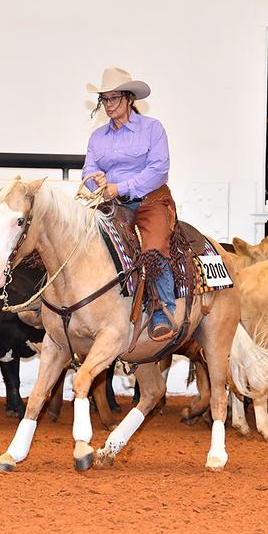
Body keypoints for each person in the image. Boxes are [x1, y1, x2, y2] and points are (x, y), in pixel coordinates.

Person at [81, 67, 177, 341]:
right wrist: (94, 181)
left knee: (153, 246)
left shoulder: (152, 129)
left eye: (114, 98)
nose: (108, 105)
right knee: (80, 241)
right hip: (112, 204)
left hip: (150, 200)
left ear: (129, 99)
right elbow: (88, 170)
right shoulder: (97, 137)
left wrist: (119, 187)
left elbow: (158, 170)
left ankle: (162, 310)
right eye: (105, 99)